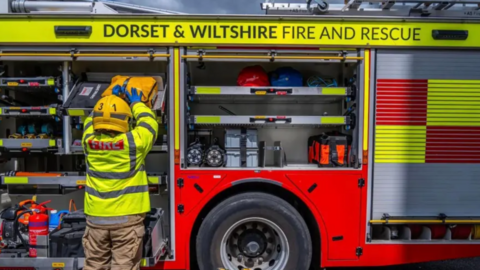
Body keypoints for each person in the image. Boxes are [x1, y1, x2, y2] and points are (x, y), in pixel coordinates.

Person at [81, 87, 158, 270]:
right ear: (125, 120)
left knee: (94, 265)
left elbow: (89, 121)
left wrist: (107, 100)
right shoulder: (134, 143)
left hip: (96, 218)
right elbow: (149, 124)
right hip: (126, 219)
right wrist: (137, 103)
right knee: (124, 265)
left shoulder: (88, 141)